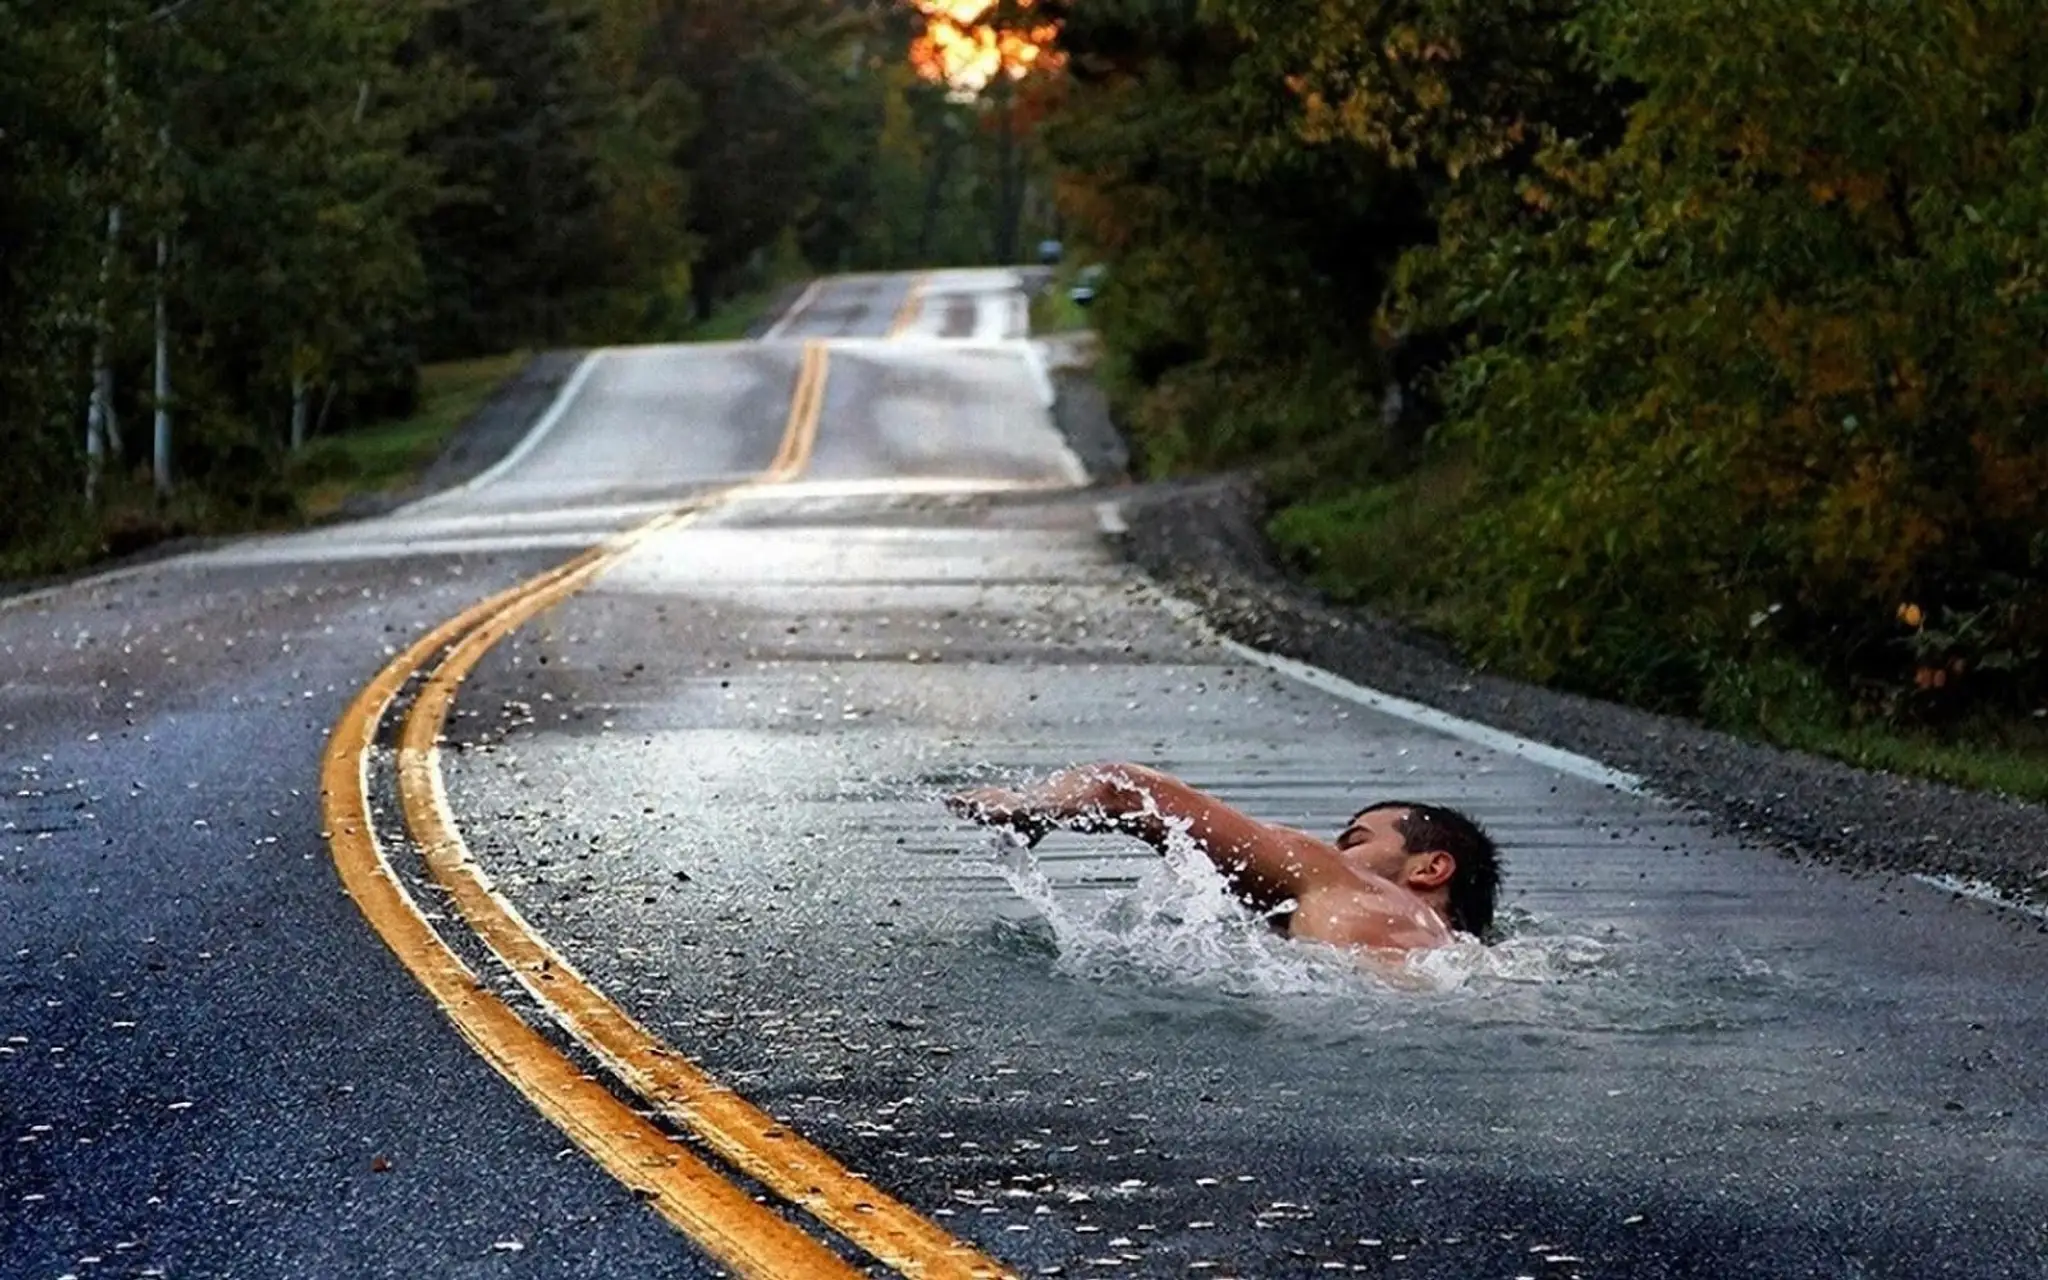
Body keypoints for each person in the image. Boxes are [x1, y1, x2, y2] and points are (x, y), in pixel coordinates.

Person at [947, 763, 1500, 952]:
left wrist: (1026, 808)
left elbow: (1125, 787)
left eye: (1355, 839)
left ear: (1430, 868)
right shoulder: (1468, 961)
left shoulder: (1337, 880)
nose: (1338, 852)